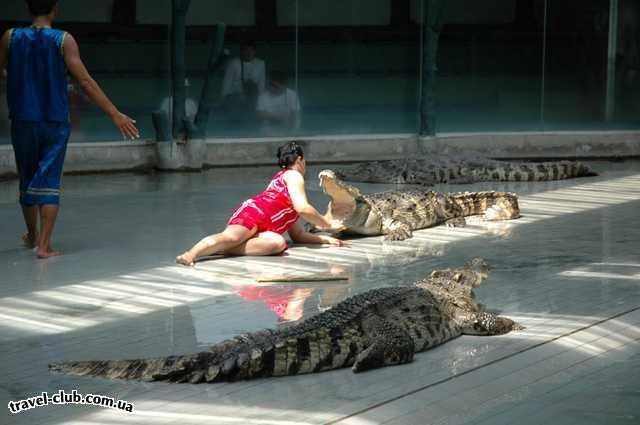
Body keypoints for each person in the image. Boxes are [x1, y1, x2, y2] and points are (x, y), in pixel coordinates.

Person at [0, 0, 139, 259]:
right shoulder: (63, 40)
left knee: (27, 177)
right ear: (55, 9)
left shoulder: (10, 37)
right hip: (54, 121)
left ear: (27, 9)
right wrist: (114, 113)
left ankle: (31, 235)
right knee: (49, 181)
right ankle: (43, 245)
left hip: (22, 119)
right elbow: (84, 81)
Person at [176, 141, 346, 266]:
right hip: (254, 212)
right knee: (230, 237)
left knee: (278, 243)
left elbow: (297, 235)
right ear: (300, 160)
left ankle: (224, 249)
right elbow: (304, 208)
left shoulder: (289, 194)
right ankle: (190, 255)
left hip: (265, 227)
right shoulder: (293, 175)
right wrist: (327, 224)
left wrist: (325, 240)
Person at [221, 40, 266, 113]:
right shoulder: (234, 63)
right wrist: (225, 98)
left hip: (252, 97)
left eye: (251, 50)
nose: (249, 53)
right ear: (241, 51)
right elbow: (227, 82)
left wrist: (261, 101)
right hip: (235, 97)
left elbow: (261, 83)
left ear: (255, 51)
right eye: (246, 50)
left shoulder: (260, 63)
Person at [257, 71, 301, 136]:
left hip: (287, 128)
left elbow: (296, 115)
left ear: (284, 85)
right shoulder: (263, 97)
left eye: (275, 86)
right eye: (271, 85)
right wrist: (277, 116)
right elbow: (259, 115)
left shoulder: (292, 95)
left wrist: (292, 128)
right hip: (268, 129)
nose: (272, 88)